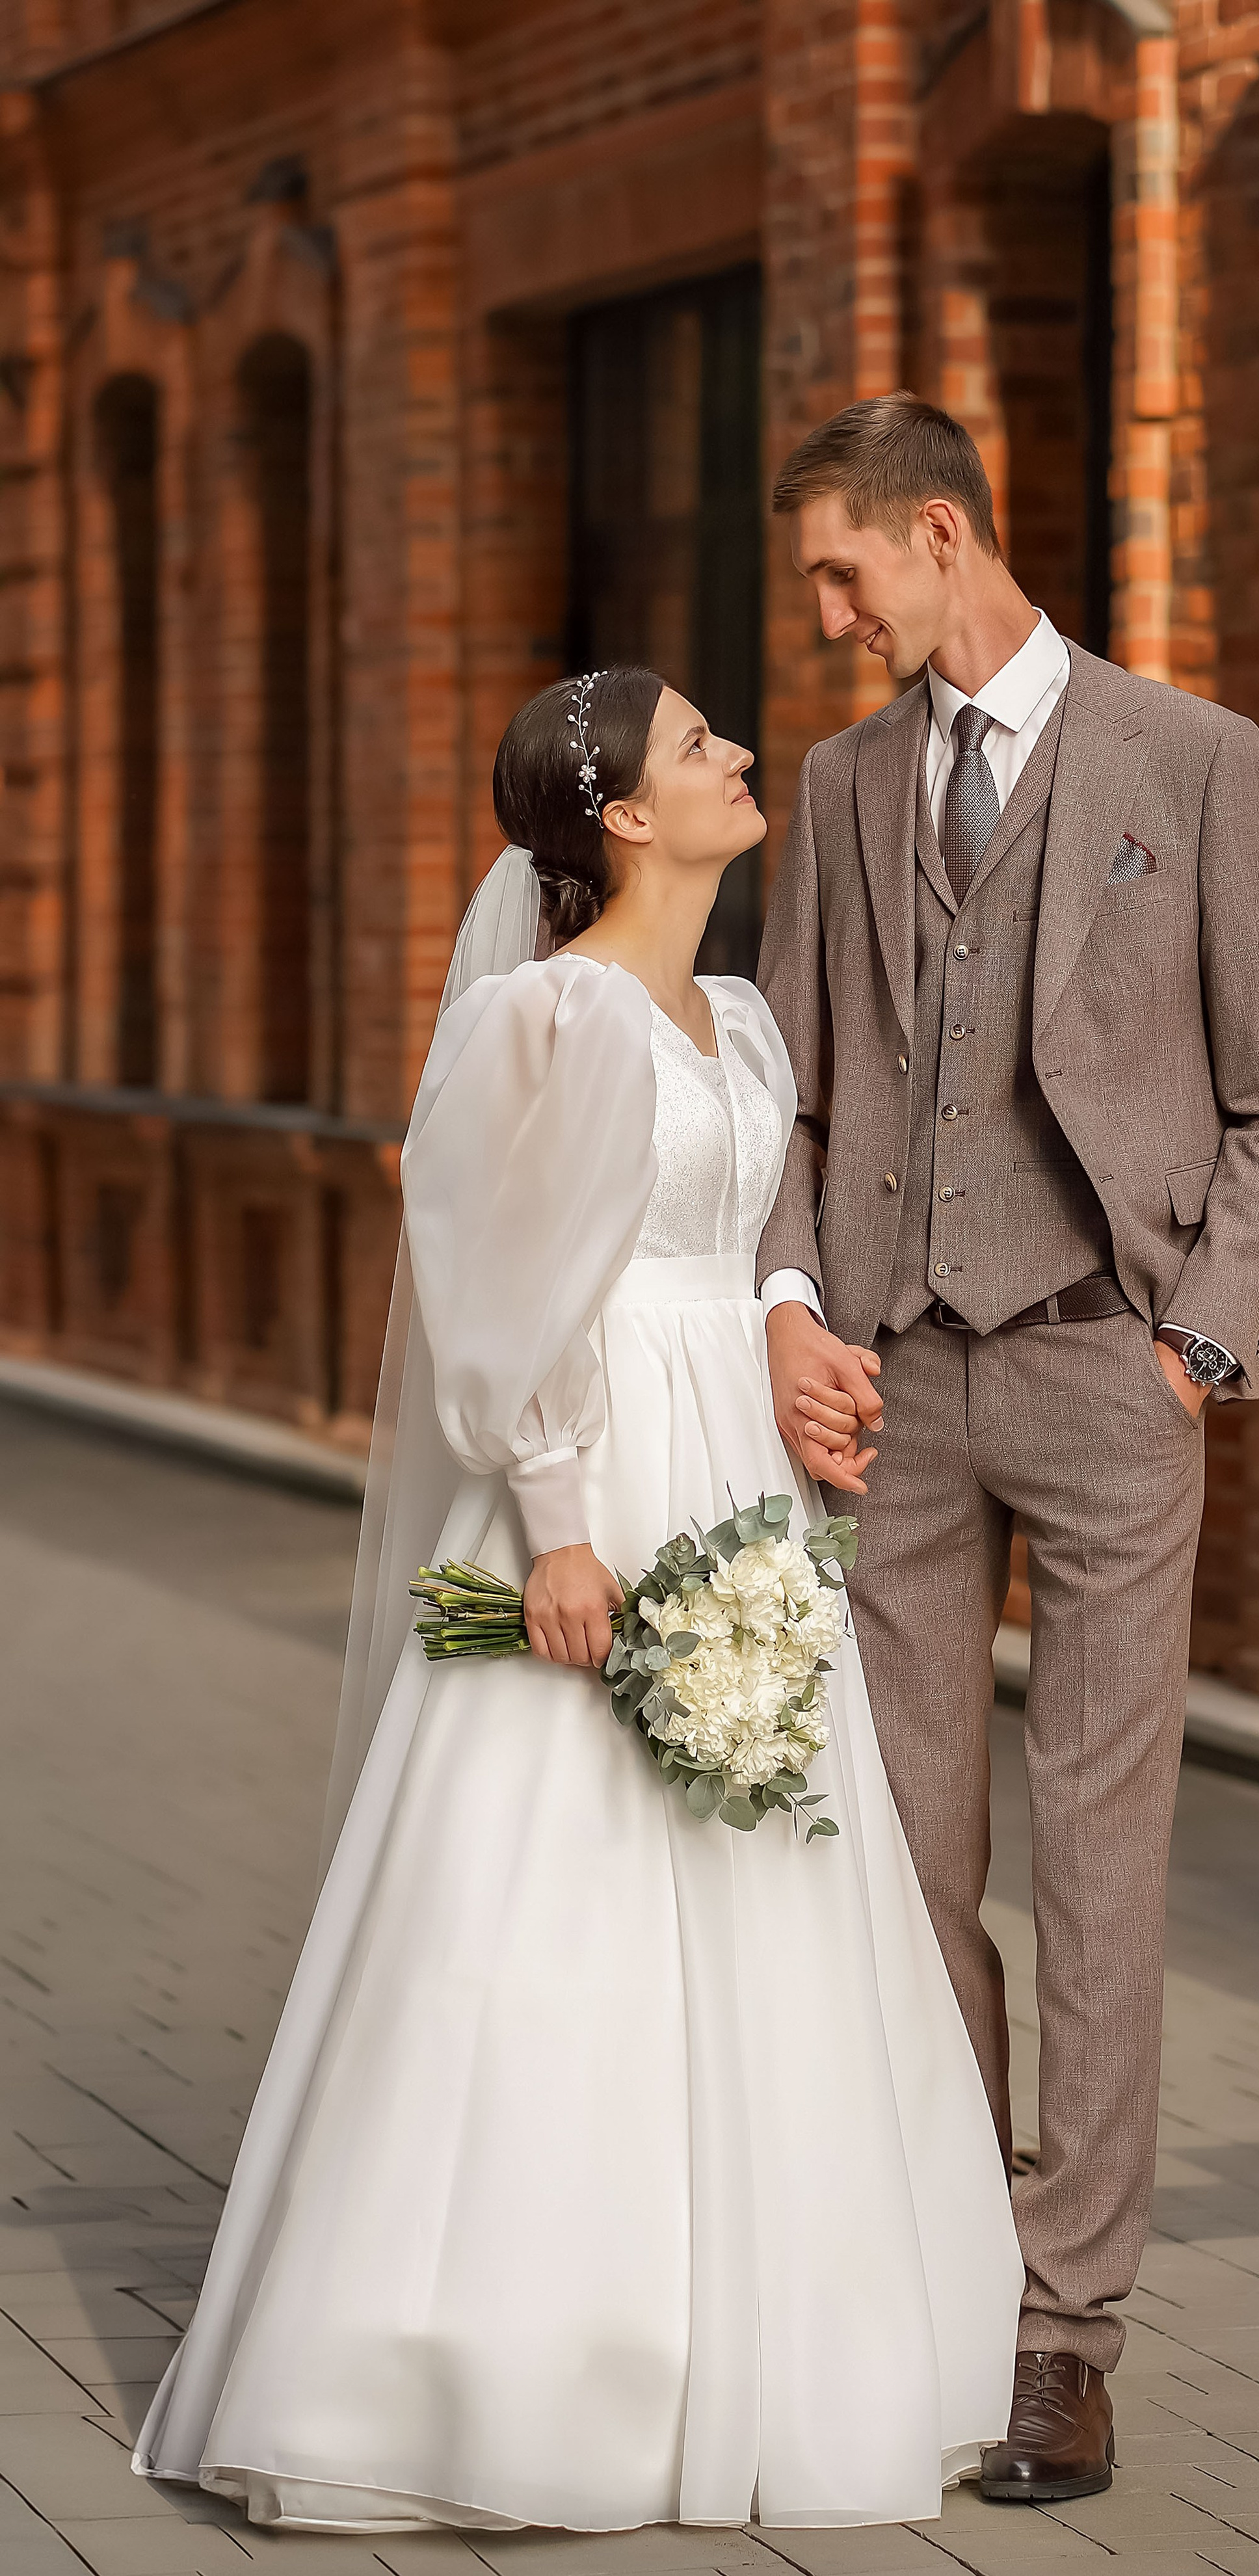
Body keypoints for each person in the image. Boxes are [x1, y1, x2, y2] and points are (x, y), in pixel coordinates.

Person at [131, 665, 1023, 2535]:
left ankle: (756, 2347)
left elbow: (750, 1237)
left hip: (741, 1479)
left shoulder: (736, 1024)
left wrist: (790, 1331)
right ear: (620, 811)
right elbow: (486, 1269)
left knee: (768, 1872)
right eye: (701, 744)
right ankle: (489, 2356)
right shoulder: (541, 1018)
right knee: (550, 1883)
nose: (736, 758)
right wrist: (551, 1514)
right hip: (601, 1460)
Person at [758, 393, 1259, 2501]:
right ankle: (939, 2252)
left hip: (1109, 1369)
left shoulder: (1190, 760)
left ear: (939, 531)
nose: (825, 616)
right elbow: (797, 1099)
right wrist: (795, 1308)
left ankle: (1063, 2335)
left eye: (844, 574)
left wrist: (1196, 1334)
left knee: (1099, 1866)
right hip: (896, 1391)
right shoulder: (834, 786)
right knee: (905, 1859)